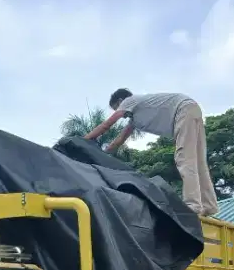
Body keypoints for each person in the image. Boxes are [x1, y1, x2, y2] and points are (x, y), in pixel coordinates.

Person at [84, 89, 219, 217]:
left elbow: (107, 124)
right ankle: (209, 205)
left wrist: (84, 140)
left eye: (116, 108)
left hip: (183, 110)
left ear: (120, 101)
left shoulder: (129, 101)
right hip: (191, 109)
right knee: (198, 161)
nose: (121, 114)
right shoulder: (135, 119)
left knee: (184, 159)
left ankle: (193, 205)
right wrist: (103, 153)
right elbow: (119, 140)